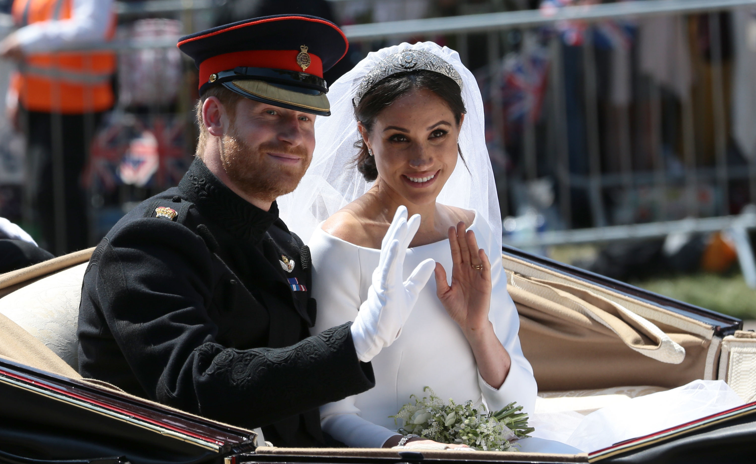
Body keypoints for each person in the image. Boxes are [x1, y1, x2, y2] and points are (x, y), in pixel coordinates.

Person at [77, 16, 438, 448]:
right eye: (271, 113)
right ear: (214, 117)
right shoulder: (148, 244)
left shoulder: (283, 245)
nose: (294, 135)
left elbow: (304, 414)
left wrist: (395, 444)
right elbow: (195, 390)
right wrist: (355, 343)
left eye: (306, 118)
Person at [278, 42, 540, 450]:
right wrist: (411, 450)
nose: (422, 158)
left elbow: (520, 412)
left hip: (483, 449)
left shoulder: (473, 232)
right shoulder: (340, 245)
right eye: (400, 138)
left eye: (438, 134)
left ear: (461, 126)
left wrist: (478, 330)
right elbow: (331, 413)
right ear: (366, 136)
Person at [0, 0, 117, 255]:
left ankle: (73, 265)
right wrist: (15, 94)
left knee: (56, 194)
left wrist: (29, 40)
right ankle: (61, 262)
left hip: (75, 105)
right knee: (45, 195)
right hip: (37, 103)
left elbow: (92, 27)